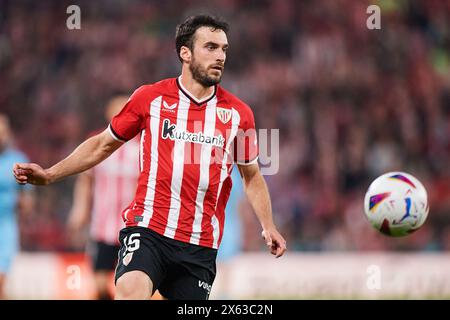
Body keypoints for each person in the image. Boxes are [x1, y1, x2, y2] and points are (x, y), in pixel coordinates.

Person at [13, 15, 287, 300]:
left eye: (224, 49)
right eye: (210, 47)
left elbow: (251, 176)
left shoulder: (238, 114)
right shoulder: (151, 98)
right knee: (130, 291)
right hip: (149, 230)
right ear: (185, 52)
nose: (220, 56)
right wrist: (50, 174)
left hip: (199, 244)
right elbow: (101, 146)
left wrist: (268, 226)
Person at [67, 96, 140, 300]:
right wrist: (79, 211)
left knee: (131, 283)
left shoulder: (143, 146)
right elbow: (85, 181)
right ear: (109, 115)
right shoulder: (98, 142)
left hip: (132, 228)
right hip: (102, 226)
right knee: (99, 284)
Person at [0, 114, 34, 299]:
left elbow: (27, 196)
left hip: (6, 225)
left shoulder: (18, 160)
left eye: (3, 132)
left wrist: (25, 206)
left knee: (1, 278)